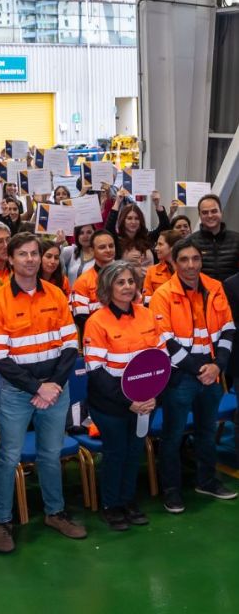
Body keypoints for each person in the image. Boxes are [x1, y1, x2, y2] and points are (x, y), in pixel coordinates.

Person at [0, 233, 85, 553]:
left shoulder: (56, 294)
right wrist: (37, 387)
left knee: (50, 455)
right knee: (9, 456)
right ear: (10, 259)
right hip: (17, 393)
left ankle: (55, 513)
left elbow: (71, 345)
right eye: (23, 254)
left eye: (34, 254)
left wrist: (52, 386)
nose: (30, 259)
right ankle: (2, 522)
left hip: (55, 390)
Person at [149, 238, 237, 512]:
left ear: (201, 261)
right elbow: (164, 341)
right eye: (184, 260)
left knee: (206, 431)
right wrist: (201, 370)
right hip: (180, 378)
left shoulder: (215, 288)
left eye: (195, 259)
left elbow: (228, 329)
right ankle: (172, 490)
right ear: (174, 263)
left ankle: (207, 480)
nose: (190, 265)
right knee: (173, 435)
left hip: (211, 373)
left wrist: (217, 366)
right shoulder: (162, 295)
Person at [82, 261, 162, 530]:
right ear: (108, 287)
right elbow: (97, 372)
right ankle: (111, 505)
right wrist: (130, 401)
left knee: (134, 451)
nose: (127, 287)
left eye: (130, 281)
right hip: (111, 405)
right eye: (120, 282)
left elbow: (161, 360)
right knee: (115, 453)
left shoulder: (147, 315)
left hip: (145, 402)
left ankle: (128, 500)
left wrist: (152, 397)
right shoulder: (96, 322)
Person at [71, 230, 119, 330]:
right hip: (98, 338)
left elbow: (136, 310)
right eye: (102, 247)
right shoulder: (82, 282)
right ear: (92, 251)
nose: (108, 250)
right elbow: (81, 320)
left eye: (111, 246)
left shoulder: (127, 277)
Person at [187, 194, 239, 280]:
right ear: (199, 215)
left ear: (221, 212)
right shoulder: (190, 242)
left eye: (214, 211)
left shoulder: (237, 240)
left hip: (231, 293)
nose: (210, 215)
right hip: (203, 292)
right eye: (205, 212)